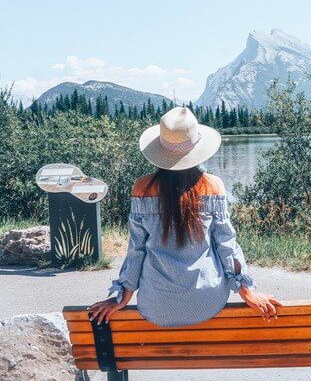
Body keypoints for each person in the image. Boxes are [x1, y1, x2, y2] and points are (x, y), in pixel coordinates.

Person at [88, 106, 280, 327]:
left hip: (156, 304)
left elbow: (136, 250)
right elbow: (227, 244)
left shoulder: (142, 188)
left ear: (160, 150)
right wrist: (247, 292)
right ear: (197, 147)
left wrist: (122, 296)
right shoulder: (212, 185)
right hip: (207, 300)